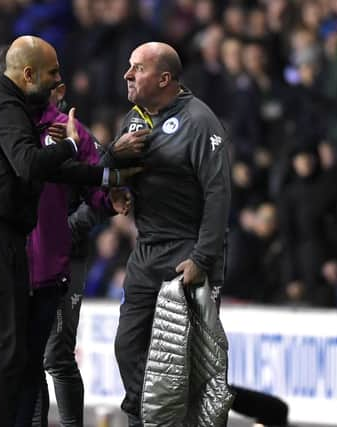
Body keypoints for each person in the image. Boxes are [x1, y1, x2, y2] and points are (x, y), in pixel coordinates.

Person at [0, 35, 132, 427]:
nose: (61, 82)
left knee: (12, 352)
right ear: (30, 76)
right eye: (53, 73)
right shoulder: (8, 113)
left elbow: (67, 173)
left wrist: (112, 180)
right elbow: (17, 168)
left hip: (26, 257)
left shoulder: (32, 119)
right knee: (10, 354)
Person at [101, 42, 231, 425]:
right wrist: (113, 163)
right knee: (128, 348)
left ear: (164, 78)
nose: (127, 75)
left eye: (137, 68)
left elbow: (218, 192)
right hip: (145, 252)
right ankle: (142, 420)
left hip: (187, 253)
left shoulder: (199, 121)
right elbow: (115, 175)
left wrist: (203, 258)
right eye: (128, 67)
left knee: (188, 364)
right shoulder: (134, 121)